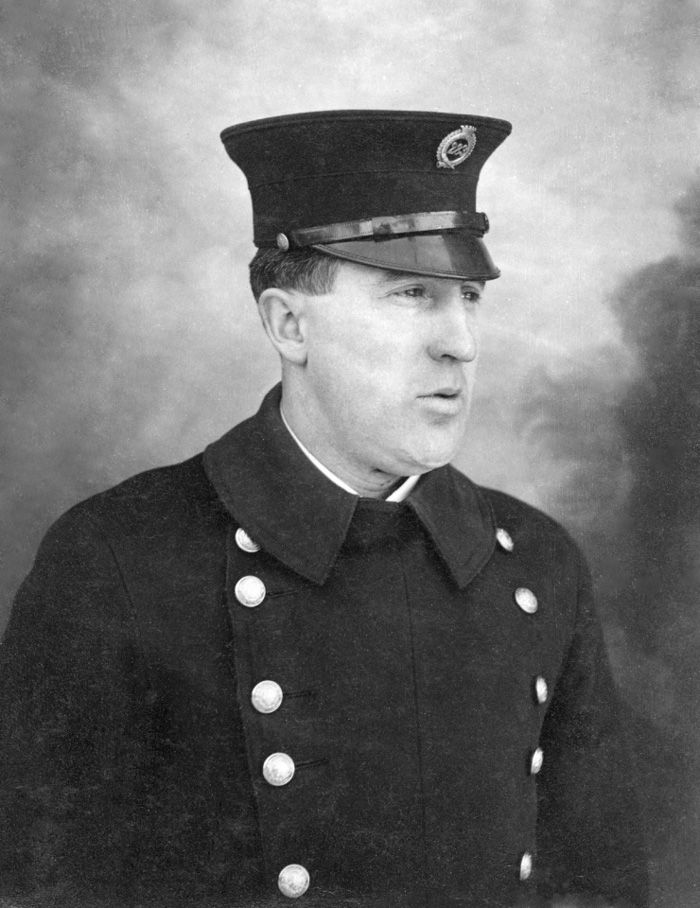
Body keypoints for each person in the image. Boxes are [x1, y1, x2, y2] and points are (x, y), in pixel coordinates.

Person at [0, 110, 648, 908]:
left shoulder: (538, 563)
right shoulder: (118, 561)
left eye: (469, 296)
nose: (460, 342)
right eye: (412, 294)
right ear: (288, 325)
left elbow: (602, 885)